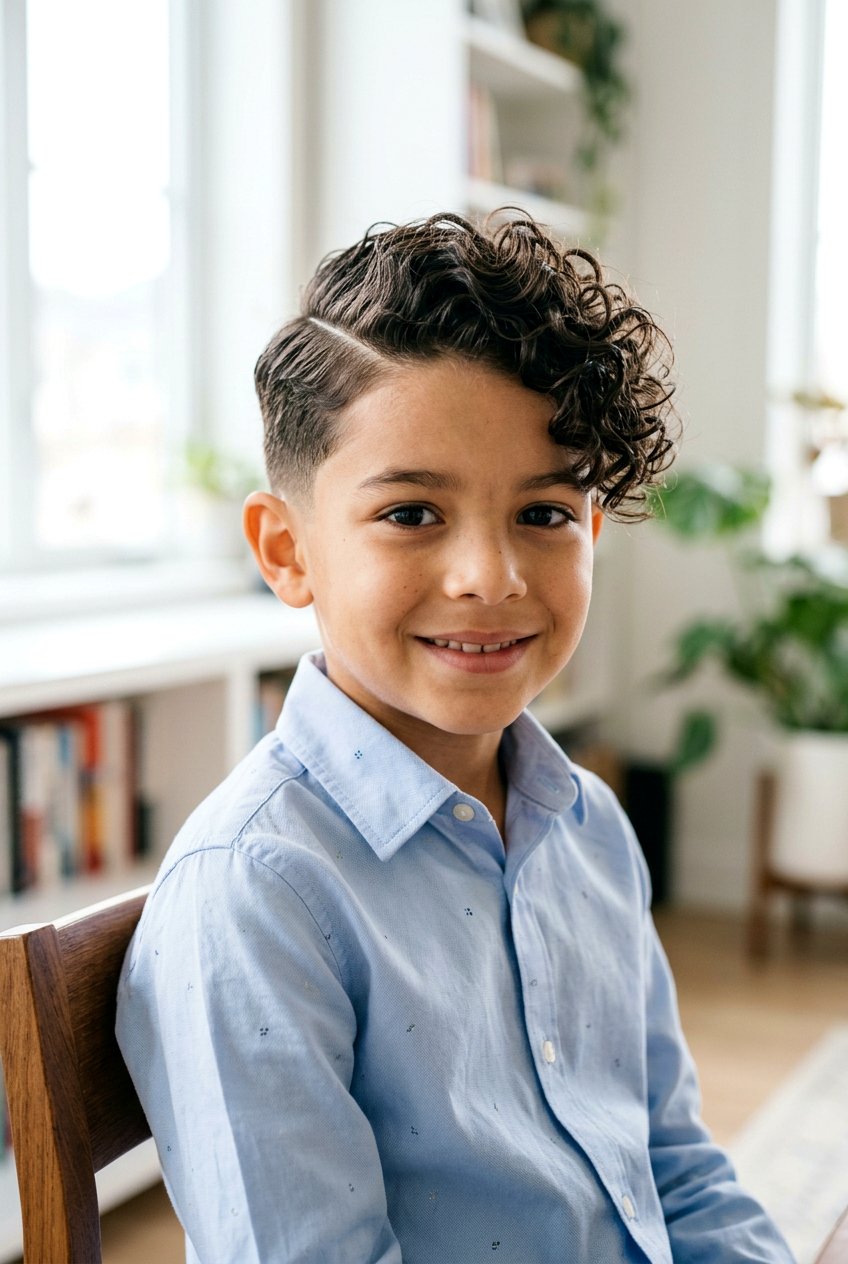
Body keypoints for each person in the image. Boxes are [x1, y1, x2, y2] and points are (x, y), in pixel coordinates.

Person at [117, 212, 793, 1263]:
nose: (491, 576)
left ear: (591, 535)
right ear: (286, 549)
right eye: (410, 515)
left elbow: (672, 1169)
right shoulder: (253, 896)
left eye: (543, 514)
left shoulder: (589, 827)